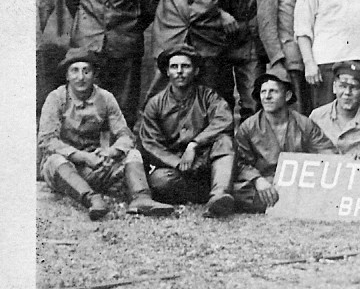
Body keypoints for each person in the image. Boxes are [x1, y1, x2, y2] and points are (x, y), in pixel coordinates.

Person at [38, 48, 174, 220]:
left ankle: (141, 198)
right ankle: (92, 199)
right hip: (66, 166)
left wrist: (111, 152)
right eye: (75, 71)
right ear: (67, 76)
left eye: (86, 71)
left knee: (132, 154)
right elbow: (46, 140)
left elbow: (125, 135)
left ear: (95, 74)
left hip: (97, 164)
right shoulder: (56, 98)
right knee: (54, 160)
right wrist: (81, 156)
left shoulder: (105, 97)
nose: (81, 77)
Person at [137, 44, 238, 217]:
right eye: (174, 67)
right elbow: (149, 143)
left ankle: (218, 194)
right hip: (176, 168)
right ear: (167, 72)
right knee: (159, 181)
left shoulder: (208, 96)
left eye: (185, 66)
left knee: (225, 141)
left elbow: (224, 120)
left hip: (205, 160)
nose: (180, 72)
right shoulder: (155, 103)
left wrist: (195, 144)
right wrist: (177, 162)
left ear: (196, 71)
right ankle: (206, 191)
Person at [232, 72, 338, 213]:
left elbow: (326, 152)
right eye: (263, 92)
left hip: (297, 182)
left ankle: (287, 201)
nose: (267, 96)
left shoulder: (304, 124)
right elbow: (240, 162)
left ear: (287, 96)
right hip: (265, 184)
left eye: (273, 91)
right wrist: (257, 180)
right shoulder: (248, 127)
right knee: (237, 191)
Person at [257, 0, 314, 114]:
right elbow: (267, 26)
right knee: (295, 114)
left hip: (315, 57)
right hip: (290, 62)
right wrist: (277, 62)